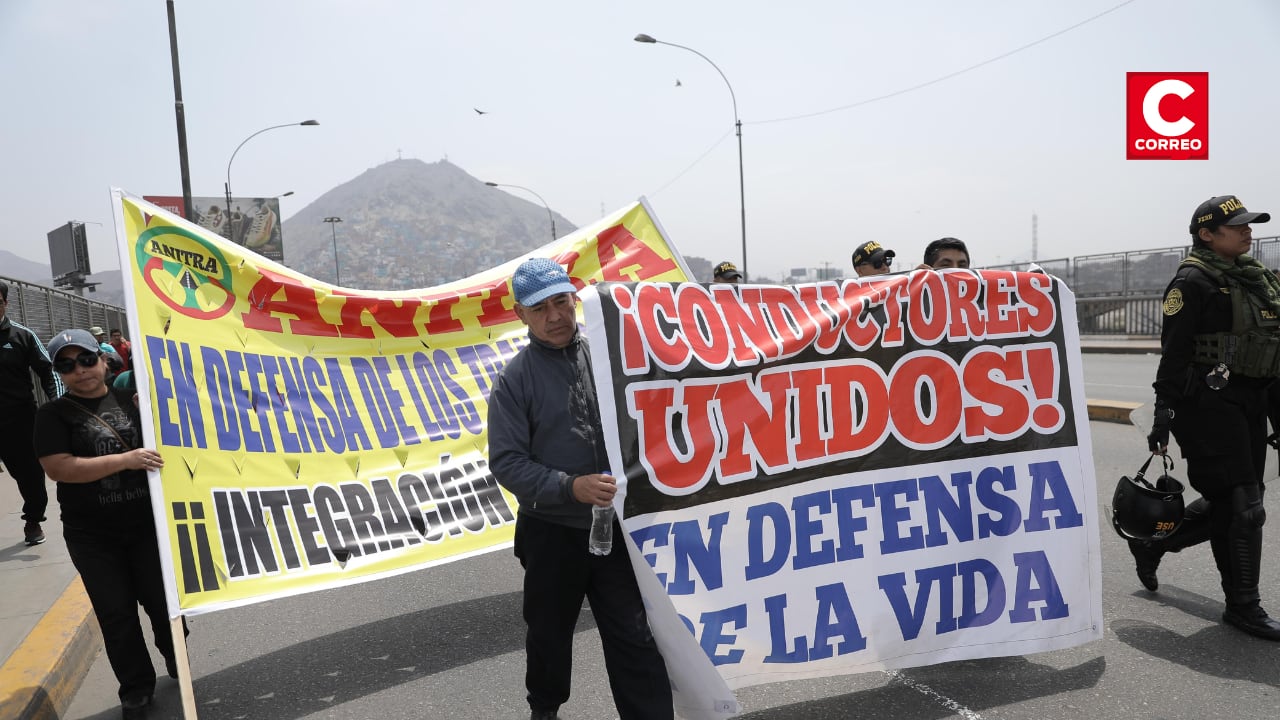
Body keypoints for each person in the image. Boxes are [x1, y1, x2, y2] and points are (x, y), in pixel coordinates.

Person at [487, 258, 673, 720]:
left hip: (617, 531)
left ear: (575, 300)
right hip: (551, 532)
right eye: (540, 308)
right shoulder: (514, 380)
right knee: (549, 638)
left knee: (635, 637)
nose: (555, 316)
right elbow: (507, 463)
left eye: (561, 302)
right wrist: (571, 487)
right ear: (520, 314)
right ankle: (544, 711)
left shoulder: (610, 359)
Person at [1140, 194, 1280, 641]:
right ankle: (1243, 607)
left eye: (1249, 224)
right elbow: (1175, 354)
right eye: (1237, 225)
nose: (1247, 231)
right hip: (1207, 404)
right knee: (1244, 505)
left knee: (1234, 499)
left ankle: (1152, 541)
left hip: (1251, 400)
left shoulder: (1259, 280)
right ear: (1206, 234)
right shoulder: (1192, 283)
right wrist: (1163, 414)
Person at [34, 329, 176, 717]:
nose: (79, 371)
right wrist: (125, 461)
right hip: (92, 535)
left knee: (164, 604)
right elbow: (59, 468)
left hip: (147, 526)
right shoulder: (52, 415)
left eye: (86, 360)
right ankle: (136, 687)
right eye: (66, 365)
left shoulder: (134, 399)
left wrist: (153, 410)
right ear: (58, 372)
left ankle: (175, 654)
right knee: (116, 612)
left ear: (104, 359)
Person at [0, 281, 63, 545]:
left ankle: (33, 519)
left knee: (29, 476)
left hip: (19, 422)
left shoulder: (22, 336)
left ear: (5, 303)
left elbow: (49, 372)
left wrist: (61, 407)